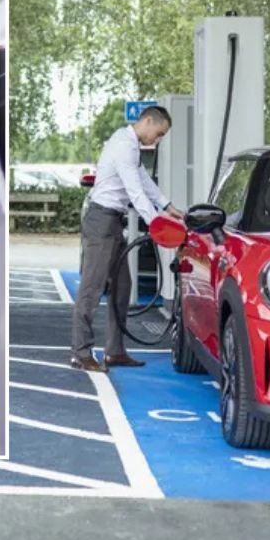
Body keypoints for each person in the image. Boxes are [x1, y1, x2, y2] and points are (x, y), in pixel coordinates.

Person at [71, 105, 183, 371]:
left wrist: (168, 207)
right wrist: (156, 222)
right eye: (158, 134)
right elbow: (134, 190)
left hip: (113, 221)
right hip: (101, 221)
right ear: (147, 121)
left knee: (123, 287)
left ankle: (115, 351)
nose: (157, 141)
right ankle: (81, 353)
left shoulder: (131, 148)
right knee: (92, 288)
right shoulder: (123, 145)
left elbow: (144, 181)